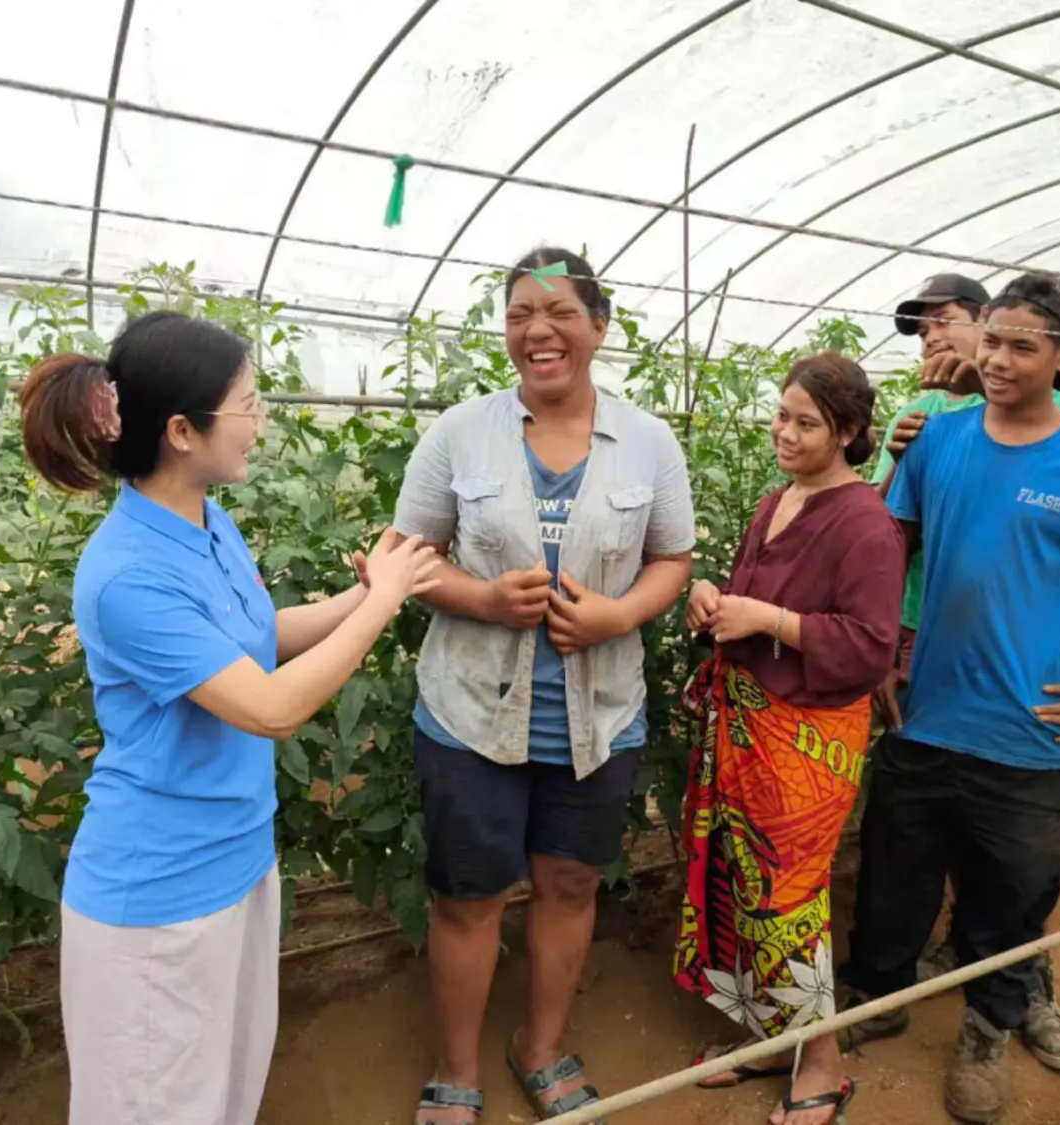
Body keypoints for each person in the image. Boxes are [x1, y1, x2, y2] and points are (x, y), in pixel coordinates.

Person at [19, 311, 439, 1125]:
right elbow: (271, 706)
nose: (260, 420)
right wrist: (381, 604)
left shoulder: (207, 521)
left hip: (237, 860)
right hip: (159, 896)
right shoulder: (126, 575)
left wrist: (366, 592)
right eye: (248, 402)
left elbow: (256, 638)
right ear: (182, 429)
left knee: (223, 1097)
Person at [840, 275, 1060, 1124]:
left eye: (1022, 346)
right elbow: (894, 544)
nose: (996, 359)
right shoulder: (937, 440)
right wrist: (882, 646)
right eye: (991, 340)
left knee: (1012, 891)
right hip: (923, 711)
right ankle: (878, 994)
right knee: (895, 869)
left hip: (1028, 731)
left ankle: (990, 1030)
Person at [392, 248, 696, 1125]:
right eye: (520, 312)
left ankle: (539, 1044)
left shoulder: (646, 439)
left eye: (559, 311)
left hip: (597, 716)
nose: (537, 329)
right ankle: (456, 1066)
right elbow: (405, 557)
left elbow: (671, 560)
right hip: (471, 712)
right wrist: (482, 596)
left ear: (599, 328)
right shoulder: (459, 432)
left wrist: (619, 614)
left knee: (569, 883)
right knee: (469, 893)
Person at [852, 273, 1060, 1064]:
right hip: (924, 641)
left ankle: (1016, 994)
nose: (933, 337)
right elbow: (891, 534)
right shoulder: (916, 419)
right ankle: (892, 984)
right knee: (912, 824)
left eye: (948, 321)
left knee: (1012, 851)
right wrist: (888, 638)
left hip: (1015, 656)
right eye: (920, 328)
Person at [672, 353, 904, 1125]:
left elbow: (872, 647)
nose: (786, 432)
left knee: (789, 897)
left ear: (848, 433)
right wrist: (712, 601)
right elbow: (748, 599)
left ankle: (824, 1063)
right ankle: (774, 1032)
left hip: (807, 743)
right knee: (746, 883)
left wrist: (768, 620)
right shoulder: (775, 504)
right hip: (751, 723)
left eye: (807, 423)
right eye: (782, 415)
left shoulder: (867, 522)